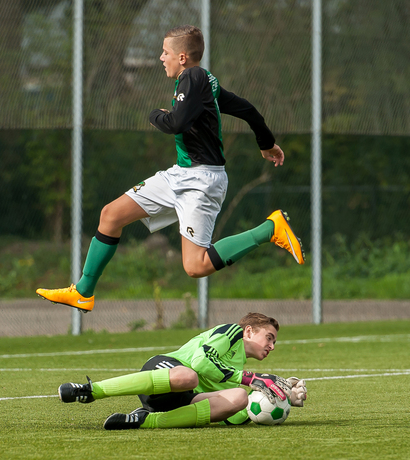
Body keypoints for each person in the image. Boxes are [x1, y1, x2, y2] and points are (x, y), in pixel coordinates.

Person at [36, 25, 305, 313]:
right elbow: (247, 110)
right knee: (110, 215)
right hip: (180, 174)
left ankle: (270, 229)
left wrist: (155, 115)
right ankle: (83, 292)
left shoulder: (194, 76)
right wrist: (266, 143)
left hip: (202, 181)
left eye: (165, 52)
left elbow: (176, 123)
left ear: (183, 57)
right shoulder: (203, 81)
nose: (160, 58)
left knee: (195, 266)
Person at [57, 312, 307, 430]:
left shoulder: (238, 369)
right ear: (249, 331)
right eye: (269, 338)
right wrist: (250, 378)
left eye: (275, 342)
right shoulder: (231, 333)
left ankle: (146, 420)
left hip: (180, 401)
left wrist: (284, 399)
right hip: (165, 371)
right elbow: (199, 362)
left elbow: (233, 415)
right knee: (189, 376)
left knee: (240, 398)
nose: (272, 346)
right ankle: (92, 391)